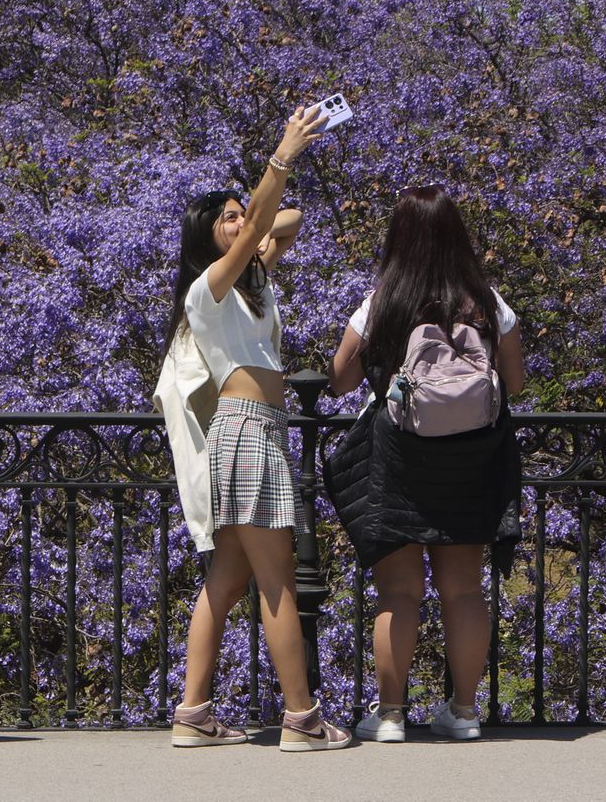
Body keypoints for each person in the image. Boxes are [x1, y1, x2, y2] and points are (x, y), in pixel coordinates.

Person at [152, 105, 352, 751]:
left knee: (226, 581)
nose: (241, 224)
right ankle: (303, 719)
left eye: (242, 213)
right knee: (278, 582)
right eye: (227, 218)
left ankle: (194, 714)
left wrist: (256, 225)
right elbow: (268, 221)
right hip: (248, 432)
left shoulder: (247, 285)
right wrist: (283, 156)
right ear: (204, 237)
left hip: (255, 431)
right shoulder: (208, 289)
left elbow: (284, 221)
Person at [326, 184, 525, 743]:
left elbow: (341, 378)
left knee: (399, 592)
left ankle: (390, 716)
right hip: (472, 460)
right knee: (463, 589)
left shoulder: (385, 299)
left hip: (400, 460)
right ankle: (463, 713)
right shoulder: (485, 300)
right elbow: (514, 380)